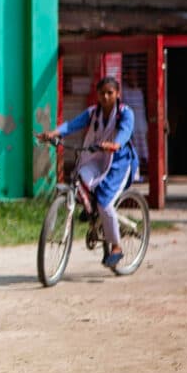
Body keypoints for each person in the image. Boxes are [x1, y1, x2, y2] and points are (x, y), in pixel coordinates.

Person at [37, 76, 139, 268]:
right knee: (80, 178)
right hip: (95, 157)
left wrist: (115, 144)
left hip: (118, 162)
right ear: (97, 95)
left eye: (110, 93)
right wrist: (54, 133)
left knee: (105, 202)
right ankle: (90, 210)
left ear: (117, 94)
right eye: (102, 93)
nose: (106, 97)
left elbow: (125, 132)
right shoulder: (93, 113)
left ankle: (116, 246)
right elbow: (72, 125)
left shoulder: (126, 113)